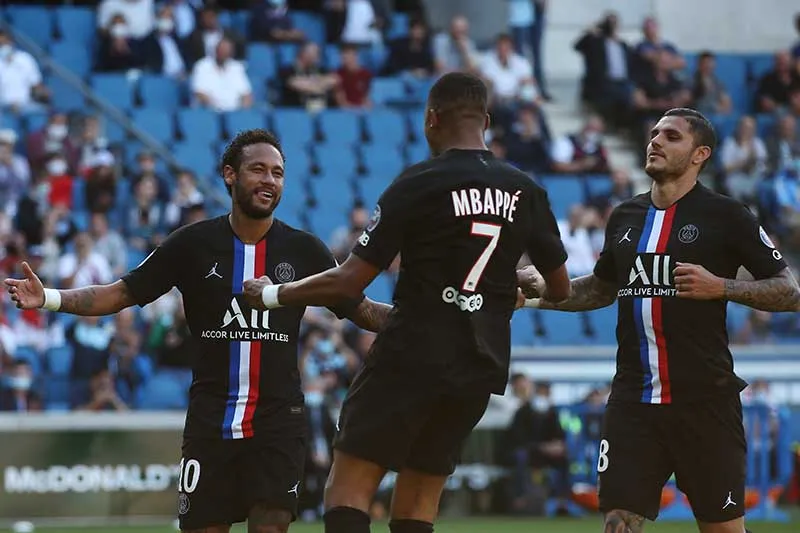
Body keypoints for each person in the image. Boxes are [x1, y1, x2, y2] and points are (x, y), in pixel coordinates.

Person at [4, 129, 392, 533]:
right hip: (211, 419)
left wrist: (424, 316)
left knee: (270, 527)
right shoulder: (191, 245)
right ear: (229, 175)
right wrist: (49, 298)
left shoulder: (305, 250)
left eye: (277, 173)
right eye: (258, 170)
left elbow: (360, 309)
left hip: (279, 420)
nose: (269, 180)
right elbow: (120, 293)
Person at [242, 72, 571, 533]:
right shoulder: (527, 191)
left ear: (432, 119)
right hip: (479, 366)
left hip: (413, 354)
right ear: (487, 121)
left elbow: (348, 281)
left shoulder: (418, 182)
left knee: (348, 490)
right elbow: (560, 290)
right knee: (419, 499)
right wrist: (502, 292)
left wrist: (274, 294)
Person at [517, 108, 800, 533]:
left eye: (671, 136)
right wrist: (541, 291)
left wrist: (722, 287)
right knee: (618, 523)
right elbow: (599, 289)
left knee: (722, 527)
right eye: (653, 134)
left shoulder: (727, 215)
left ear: (700, 154)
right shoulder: (625, 216)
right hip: (633, 401)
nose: (655, 142)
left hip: (704, 400)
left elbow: (790, 291)